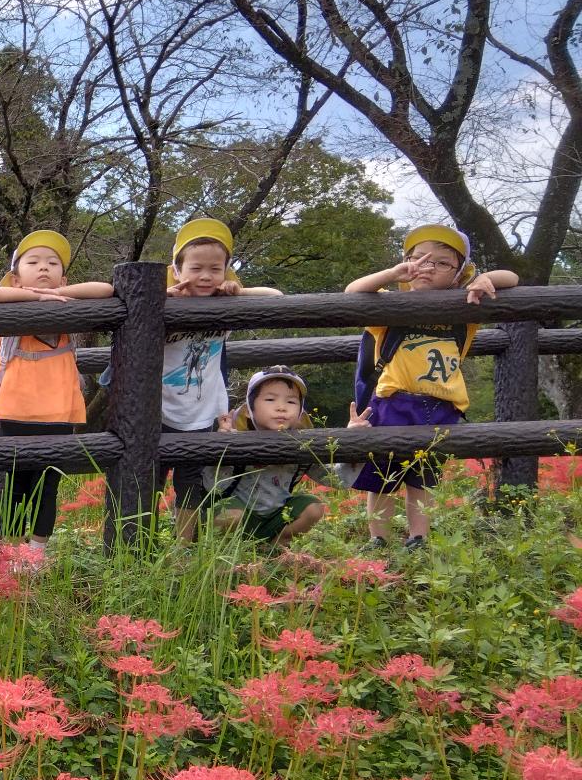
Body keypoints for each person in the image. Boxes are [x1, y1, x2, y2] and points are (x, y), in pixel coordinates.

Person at [345, 224, 517, 547]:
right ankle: (378, 539)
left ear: (458, 274)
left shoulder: (466, 306)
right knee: (382, 478)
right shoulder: (390, 306)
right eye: (419, 258)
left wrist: (486, 279)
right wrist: (390, 273)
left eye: (441, 262)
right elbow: (352, 293)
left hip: (441, 407)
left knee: (421, 479)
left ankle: (418, 537)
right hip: (393, 402)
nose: (428, 266)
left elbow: (514, 278)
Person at [0, 230, 115, 547]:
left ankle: (37, 553)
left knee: (46, 485)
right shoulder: (11, 304)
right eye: (34, 262)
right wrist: (38, 298)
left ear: (63, 277)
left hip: (59, 413)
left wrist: (60, 294)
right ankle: (12, 550)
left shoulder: (69, 305)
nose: (44, 268)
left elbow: (105, 289)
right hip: (13, 411)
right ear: (15, 276)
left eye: (52, 263)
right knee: (13, 485)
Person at [159, 219, 281, 537]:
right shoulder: (161, 303)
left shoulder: (225, 304)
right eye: (196, 268)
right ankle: (136, 548)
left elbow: (275, 296)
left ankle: (183, 546)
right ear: (176, 269)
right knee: (148, 478)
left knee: (192, 481)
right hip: (156, 408)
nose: (205, 276)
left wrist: (239, 293)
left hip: (202, 411)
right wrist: (163, 298)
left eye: (216, 269)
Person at [195, 367, 341, 549]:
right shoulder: (237, 436)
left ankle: (277, 541)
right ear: (249, 409)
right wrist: (223, 446)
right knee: (231, 514)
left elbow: (332, 477)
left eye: (291, 401)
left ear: (300, 412)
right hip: (236, 513)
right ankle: (229, 549)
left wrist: (355, 450)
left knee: (313, 508)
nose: (281, 407)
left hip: (274, 517)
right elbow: (212, 484)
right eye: (270, 399)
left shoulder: (302, 445)